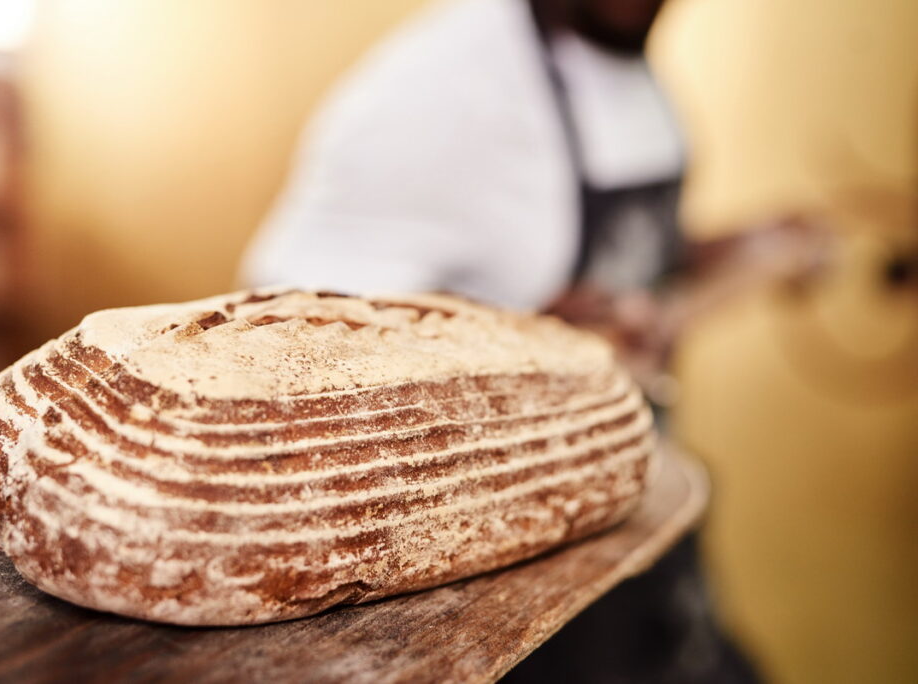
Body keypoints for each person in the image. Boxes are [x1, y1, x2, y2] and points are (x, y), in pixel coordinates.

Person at [242, 0, 774, 679]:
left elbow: (618, 257)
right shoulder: (424, 97)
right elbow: (286, 343)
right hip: (516, 580)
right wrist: (532, 346)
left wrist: (742, 252)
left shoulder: (626, 56)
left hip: (641, 514)